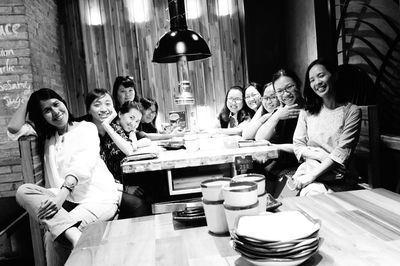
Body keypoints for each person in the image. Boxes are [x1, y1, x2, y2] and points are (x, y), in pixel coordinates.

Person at [7, 88, 120, 265]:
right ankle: (73, 233)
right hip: (67, 201)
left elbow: (82, 164)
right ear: (42, 116)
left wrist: (62, 195)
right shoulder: (47, 136)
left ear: (63, 102)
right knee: (23, 191)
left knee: (54, 237)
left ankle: (70, 233)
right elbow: (13, 129)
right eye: (47, 110)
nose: (55, 112)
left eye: (56, 104)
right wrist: (30, 99)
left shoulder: (86, 128)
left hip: (99, 199)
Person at [291, 58, 361, 196]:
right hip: (311, 171)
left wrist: (312, 176)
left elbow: (342, 153)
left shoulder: (352, 111)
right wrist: (322, 155)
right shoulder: (306, 112)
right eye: (312, 80)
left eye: (321, 75)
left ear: (334, 76)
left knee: (312, 196)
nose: (317, 83)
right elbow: (298, 147)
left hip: (338, 179)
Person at [84, 88, 151, 217]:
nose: (104, 109)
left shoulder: (116, 127)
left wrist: (133, 137)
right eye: (97, 105)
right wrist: (124, 188)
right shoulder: (87, 132)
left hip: (115, 184)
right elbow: (93, 175)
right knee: (140, 204)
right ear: (88, 109)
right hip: (98, 188)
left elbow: (141, 139)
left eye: (108, 104)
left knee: (151, 190)